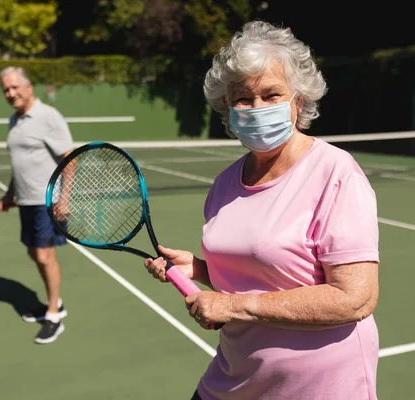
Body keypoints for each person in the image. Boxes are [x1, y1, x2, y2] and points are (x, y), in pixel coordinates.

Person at [144, 20, 380, 399]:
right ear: (227, 108)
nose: (257, 108)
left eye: (272, 95)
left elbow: (356, 299)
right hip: (235, 376)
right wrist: (198, 270)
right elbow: (257, 275)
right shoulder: (224, 183)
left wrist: (236, 306)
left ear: (297, 101)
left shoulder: (336, 173)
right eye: (243, 99)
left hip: (318, 386)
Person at [0, 66, 73, 344]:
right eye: (6, 89)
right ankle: (56, 302)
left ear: (29, 86)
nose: (11, 93)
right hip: (26, 200)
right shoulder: (14, 122)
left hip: (47, 201)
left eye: (15, 87)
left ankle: (54, 315)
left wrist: (64, 198)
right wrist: (9, 195)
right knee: (33, 253)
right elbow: (19, 166)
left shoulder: (47, 116)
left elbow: (69, 158)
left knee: (44, 256)